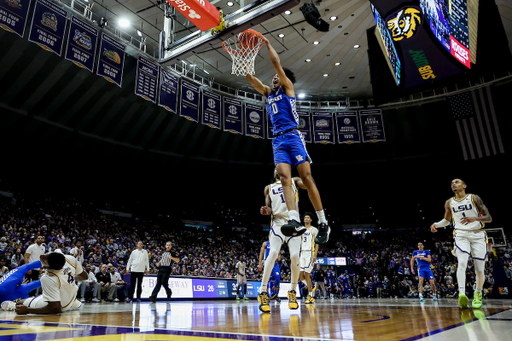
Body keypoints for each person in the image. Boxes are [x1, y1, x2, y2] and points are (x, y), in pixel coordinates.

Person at [245, 35, 330, 243]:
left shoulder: (288, 88)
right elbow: (250, 79)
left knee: (307, 178)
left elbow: (276, 62)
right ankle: (294, 219)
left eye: (277, 77)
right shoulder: (269, 93)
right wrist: (246, 60)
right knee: (284, 178)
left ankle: (323, 222)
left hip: (293, 136)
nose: (274, 79)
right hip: (278, 140)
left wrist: (267, 44)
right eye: (272, 78)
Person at [431, 178, 492, 309]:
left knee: (480, 270)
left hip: (477, 234)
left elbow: (488, 218)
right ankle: (462, 294)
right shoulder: (449, 202)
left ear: (464, 186)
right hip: (461, 234)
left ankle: (478, 294)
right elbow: (447, 220)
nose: (454, 184)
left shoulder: (474, 198)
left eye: (457, 182)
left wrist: (474, 218)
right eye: (452, 183)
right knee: (462, 262)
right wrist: (436, 224)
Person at [257, 169, 306, 313]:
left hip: (293, 222)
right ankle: (263, 291)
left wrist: (306, 176)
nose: (278, 168)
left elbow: (307, 184)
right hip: (277, 223)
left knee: (295, 256)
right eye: (275, 168)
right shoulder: (269, 188)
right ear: (274, 174)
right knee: (272, 253)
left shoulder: (294, 181)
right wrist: (266, 210)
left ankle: (292, 291)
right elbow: (270, 208)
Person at [2, 252, 88, 314]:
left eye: (44, 259)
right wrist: (68, 278)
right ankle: (74, 301)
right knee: (59, 288)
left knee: (20, 303)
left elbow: (55, 308)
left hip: (62, 305)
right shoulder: (71, 259)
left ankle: (13, 306)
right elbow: (84, 277)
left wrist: (28, 310)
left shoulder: (47, 278)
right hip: (71, 295)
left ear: (48, 267)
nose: (42, 256)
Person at [299, 212, 319, 304]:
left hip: (310, 253)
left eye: (308, 217)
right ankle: (311, 286)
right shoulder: (301, 229)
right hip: (302, 253)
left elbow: (317, 243)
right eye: (305, 217)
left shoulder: (314, 229)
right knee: (300, 276)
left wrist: (315, 255)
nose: (306, 219)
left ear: (311, 220)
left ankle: (310, 296)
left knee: (307, 275)